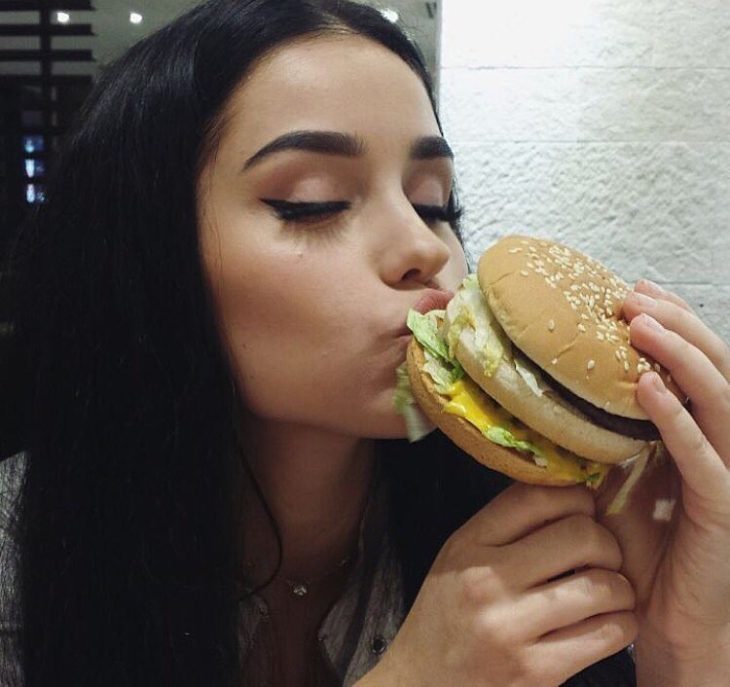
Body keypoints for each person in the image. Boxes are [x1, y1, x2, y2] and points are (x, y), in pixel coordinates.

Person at [0, 0, 728, 685]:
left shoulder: (539, 523)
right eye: (312, 203)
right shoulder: (23, 541)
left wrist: (684, 652)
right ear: (147, 255)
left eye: (437, 203)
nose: (425, 246)